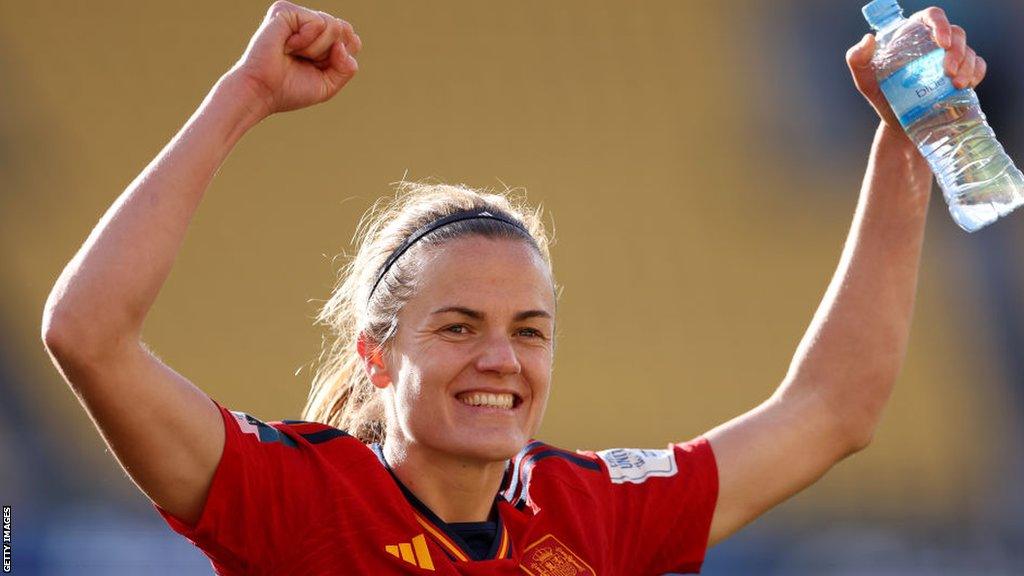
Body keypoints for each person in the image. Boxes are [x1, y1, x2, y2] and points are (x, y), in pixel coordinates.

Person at [40, 2, 987, 574]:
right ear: (376, 354)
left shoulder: (590, 513)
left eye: (529, 330)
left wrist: (903, 140)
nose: (501, 358)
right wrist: (242, 96)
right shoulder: (295, 500)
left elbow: (834, 410)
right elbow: (86, 332)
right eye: (457, 326)